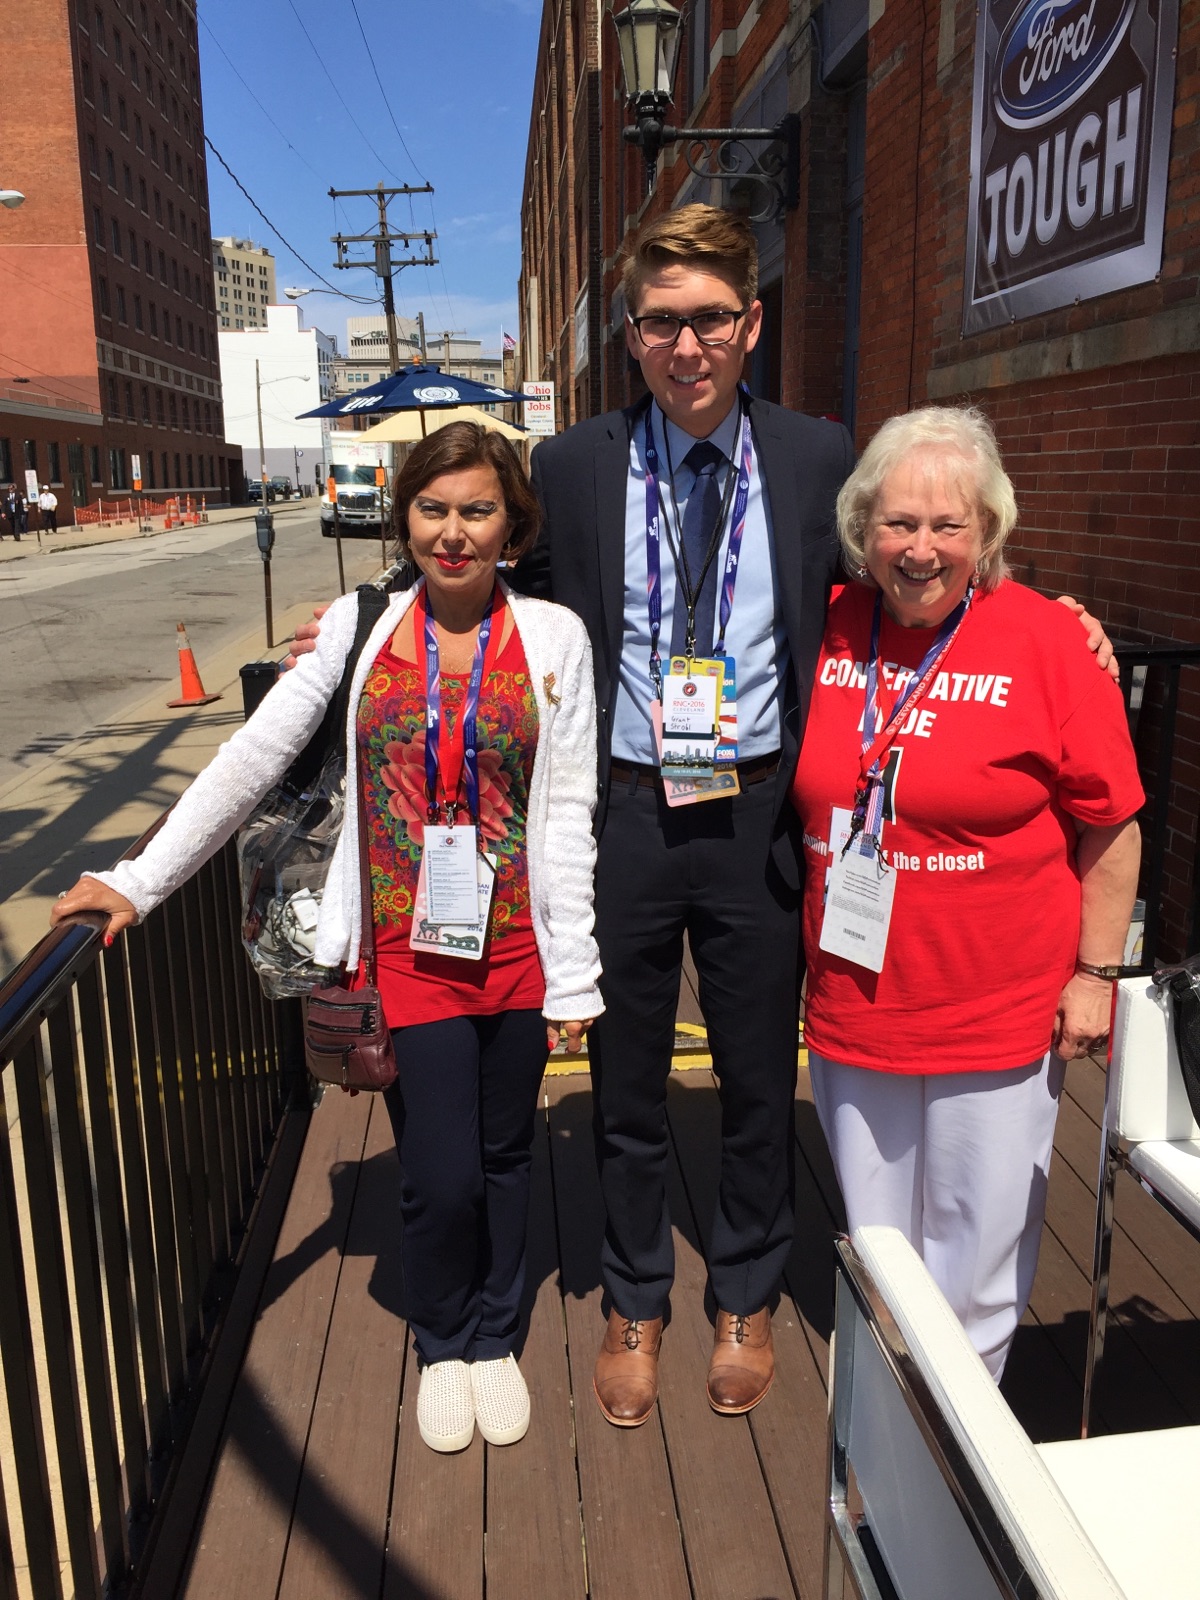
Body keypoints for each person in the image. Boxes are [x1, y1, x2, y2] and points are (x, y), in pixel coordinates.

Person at [290, 205, 1113, 1426]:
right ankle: (635, 1296)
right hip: (622, 815)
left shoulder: (817, 455)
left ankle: (742, 1290)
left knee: (755, 1075)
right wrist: (362, 619)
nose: (687, 346)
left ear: (752, 324)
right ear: (631, 335)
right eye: (662, 322)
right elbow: (488, 584)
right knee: (625, 1078)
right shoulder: (574, 466)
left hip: (759, 815)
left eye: (711, 319)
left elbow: (914, 565)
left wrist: (1046, 613)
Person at [51, 422, 604, 1455]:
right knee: (439, 1172)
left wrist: (574, 974)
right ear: (405, 519)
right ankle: (442, 1341)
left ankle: (495, 1335)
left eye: (477, 510)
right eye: (432, 509)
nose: (452, 531)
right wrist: (137, 879)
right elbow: (250, 758)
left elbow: (568, 808)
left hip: (518, 947)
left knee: (505, 1155)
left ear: (513, 527)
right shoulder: (360, 628)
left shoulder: (555, 637)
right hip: (403, 950)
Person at [790, 406, 1143, 1378]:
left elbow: (1113, 825)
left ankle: (960, 1429)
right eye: (899, 522)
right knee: (878, 1234)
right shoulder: (825, 624)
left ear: (987, 532)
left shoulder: (1048, 639)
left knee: (978, 1252)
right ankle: (888, 1408)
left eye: (949, 525)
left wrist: (1096, 975)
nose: (921, 549)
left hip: (999, 1008)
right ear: (863, 527)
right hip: (858, 999)